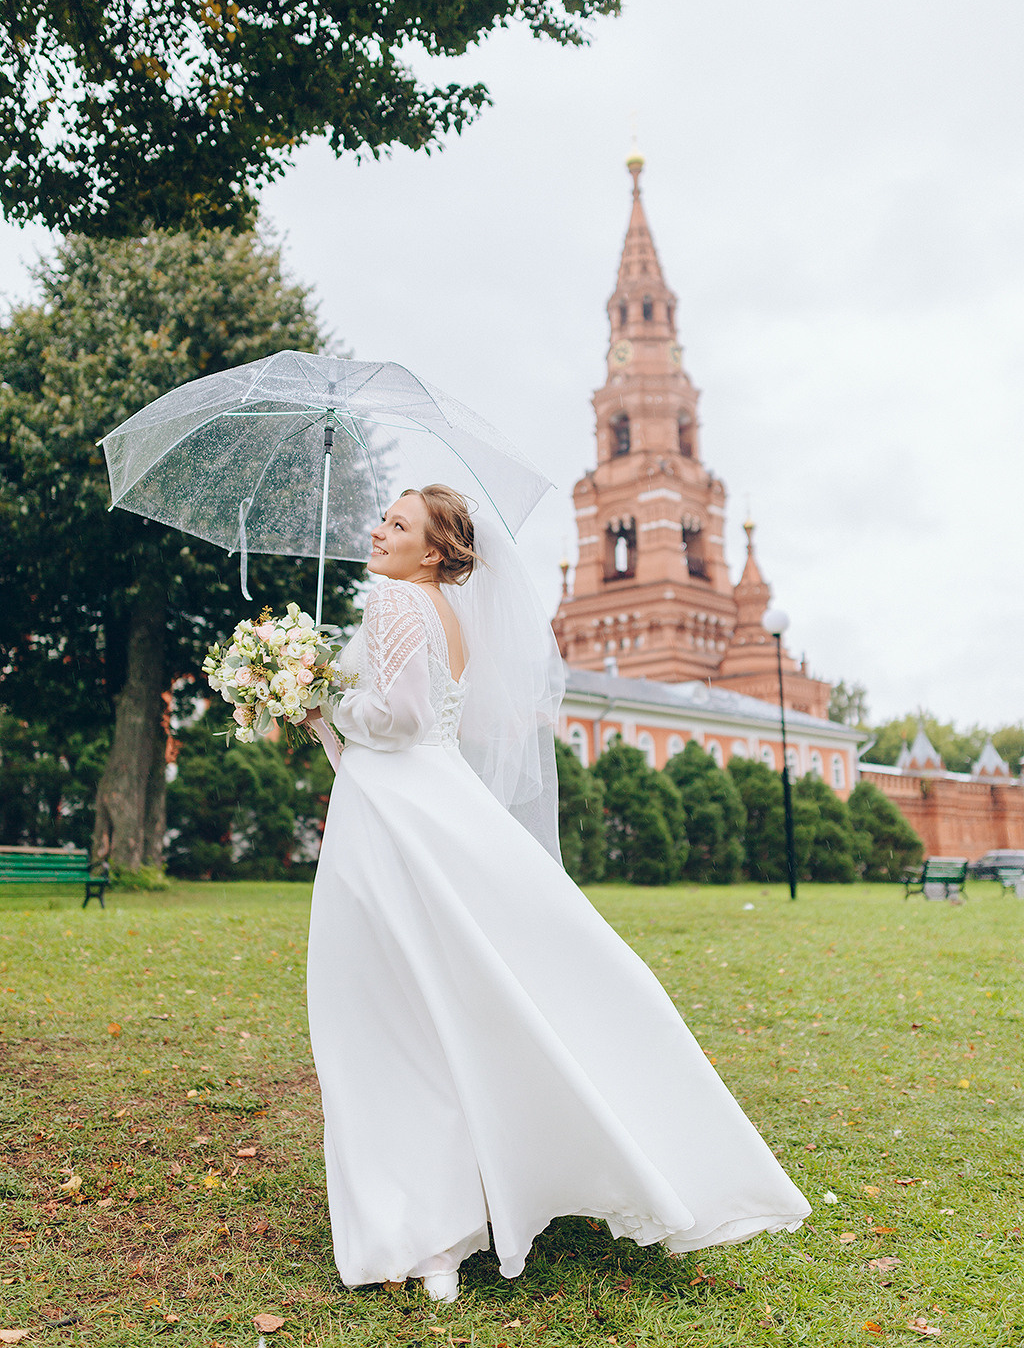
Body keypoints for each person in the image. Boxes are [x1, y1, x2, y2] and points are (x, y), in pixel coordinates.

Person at [305, 484, 809, 1304]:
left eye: (398, 525)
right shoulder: (449, 614)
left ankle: (423, 1225)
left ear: (432, 551)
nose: (379, 530)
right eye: (385, 520)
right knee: (453, 993)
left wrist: (319, 701)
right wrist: (329, 716)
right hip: (437, 802)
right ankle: (471, 1196)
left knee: (381, 1003)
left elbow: (394, 721)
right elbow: (424, 723)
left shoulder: (394, 600)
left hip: (397, 818)